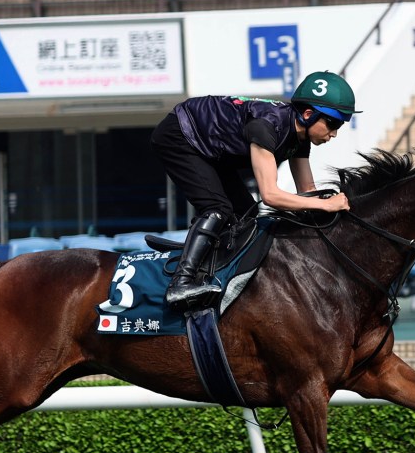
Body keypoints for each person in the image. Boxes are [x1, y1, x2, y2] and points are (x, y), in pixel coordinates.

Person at [151, 70, 360, 310]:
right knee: (218, 209)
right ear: (308, 114)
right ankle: (181, 283)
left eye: (340, 126)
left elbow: (307, 191)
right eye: (332, 124)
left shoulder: (300, 138)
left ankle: (213, 272)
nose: (334, 133)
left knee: (247, 215)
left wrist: (335, 206)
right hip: (180, 135)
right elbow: (270, 195)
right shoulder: (267, 127)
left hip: (212, 151)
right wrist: (325, 204)